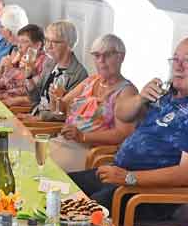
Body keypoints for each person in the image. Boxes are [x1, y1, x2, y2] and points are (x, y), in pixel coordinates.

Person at [68, 36, 188, 222]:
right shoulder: (170, 95)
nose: (178, 67)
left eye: (187, 61)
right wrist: (140, 99)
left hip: (151, 193)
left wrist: (128, 177)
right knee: (60, 188)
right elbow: (122, 114)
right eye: (175, 59)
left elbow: (185, 175)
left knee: (79, 213)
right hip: (121, 175)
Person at [46, 34, 139, 172]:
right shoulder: (91, 81)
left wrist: (83, 136)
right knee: (27, 158)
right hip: (65, 141)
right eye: (96, 55)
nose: (101, 60)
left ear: (121, 57)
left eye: (107, 55)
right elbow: (60, 111)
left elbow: (123, 134)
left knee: (40, 166)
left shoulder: (126, 92)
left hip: (91, 152)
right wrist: (56, 98)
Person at [20, 20, 88, 119]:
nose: (48, 46)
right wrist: (29, 76)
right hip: (35, 117)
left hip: (49, 125)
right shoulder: (49, 63)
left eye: (54, 42)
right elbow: (35, 99)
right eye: (47, 40)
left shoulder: (79, 74)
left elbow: (66, 114)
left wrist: (37, 119)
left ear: (69, 45)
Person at [0, 23, 45, 105]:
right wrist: (0, 67)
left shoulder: (43, 63)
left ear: (37, 45)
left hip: (12, 105)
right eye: (19, 42)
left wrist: (15, 101)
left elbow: (39, 96)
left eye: (24, 42)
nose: (19, 46)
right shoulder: (18, 57)